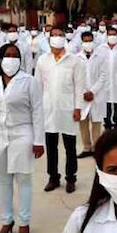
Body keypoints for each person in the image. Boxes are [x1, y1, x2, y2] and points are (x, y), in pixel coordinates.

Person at [0, 44, 44, 233]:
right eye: (7, 55)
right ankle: (7, 221)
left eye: (15, 55)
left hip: (22, 134)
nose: (11, 59)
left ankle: (24, 222)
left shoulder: (29, 81)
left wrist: (39, 140)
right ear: (0, 59)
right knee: (4, 181)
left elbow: (38, 111)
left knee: (23, 180)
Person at [36, 28, 84, 194]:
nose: (57, 38)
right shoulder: (43, 60)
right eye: (54, 35)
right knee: (51, 146)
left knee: (70, 146)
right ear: (49, 40)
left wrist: (78, 108)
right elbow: (38, 86)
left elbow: (79, 86)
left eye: (60, 35)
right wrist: (38, 109)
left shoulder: (74, 61)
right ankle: (53, 178)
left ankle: (71, 178)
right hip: (48, 109)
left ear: (65, 39)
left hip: (68, 110)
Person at [77, 31, 107, 158]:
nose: (88, 43)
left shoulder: (100, 57)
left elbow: (103, 76)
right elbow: (76, 77)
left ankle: (96, 148)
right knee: (83, 122)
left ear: (93, 41)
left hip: (96, 95)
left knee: (96, 123)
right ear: (81, 42)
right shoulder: (77, 58)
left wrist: (93, 91)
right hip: (82, 96)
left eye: (90, 41)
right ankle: (86, 147)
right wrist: (84, 91)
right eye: (85, 41)